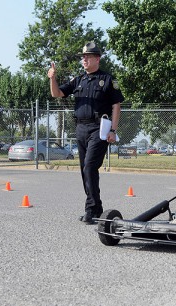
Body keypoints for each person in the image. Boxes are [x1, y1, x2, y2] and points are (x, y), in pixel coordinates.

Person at [48, 41, 124, 224]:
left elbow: (116, 105)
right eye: (83, 57)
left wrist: (113, 130)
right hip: (81, 128)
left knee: (90, 167)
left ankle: (91, 209)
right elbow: (57, 93)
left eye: (87, 56)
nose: (84, 59)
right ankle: (96, 208)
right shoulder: (78, 80)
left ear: (97, 58)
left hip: (99, 129)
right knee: (85, 170)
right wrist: (52, 78)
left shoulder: (107, 79)